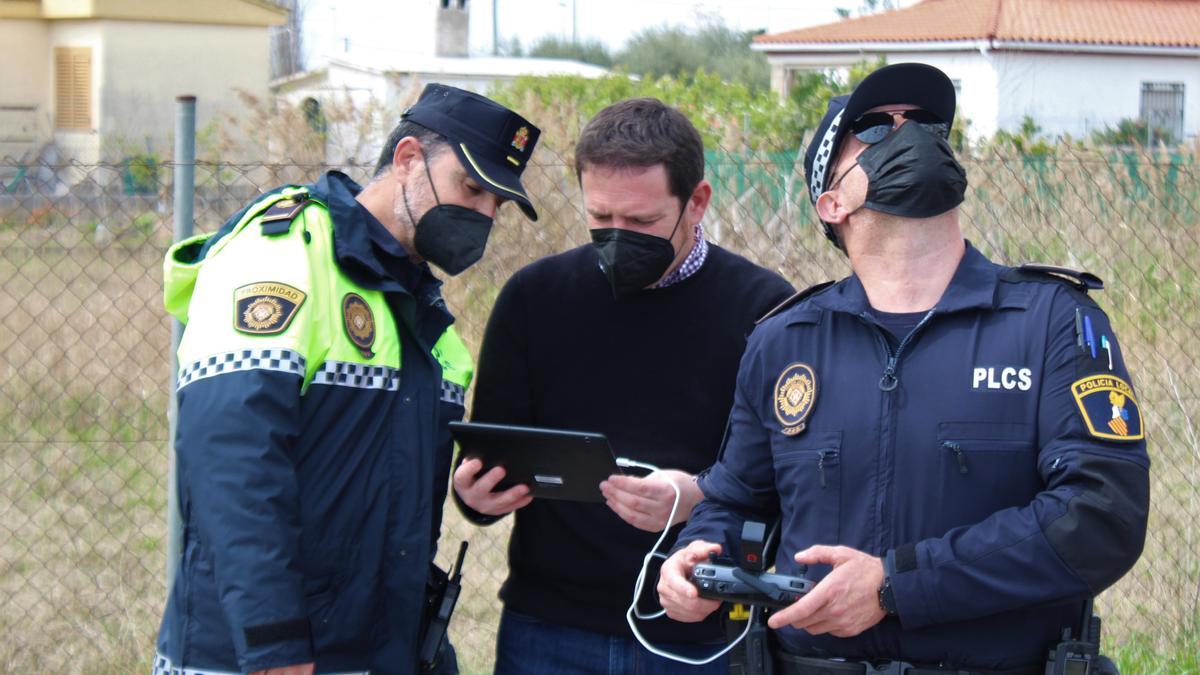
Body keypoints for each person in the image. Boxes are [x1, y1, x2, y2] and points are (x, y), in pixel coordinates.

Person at [657, 63, 1150, 675]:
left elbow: (1101, 518)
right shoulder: (785, 340)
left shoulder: (1051, 321)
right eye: (876, 129)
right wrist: (692, 556)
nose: (910, 133)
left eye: (925, 124)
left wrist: (896, 585)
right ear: (829, 200)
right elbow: (735, 500)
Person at [153, 84, 541, 675]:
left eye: (498, 203)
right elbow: (234, 461)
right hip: (262, 654)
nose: (484, 215)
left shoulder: (429, 320)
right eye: (472, 189)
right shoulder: (284, 254)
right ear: (408, 159)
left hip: (377, 646)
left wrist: (469, 492)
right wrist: (273, 641)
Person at [451, 98, 796, 674]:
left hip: (699, 631)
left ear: (697, 202)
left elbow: (785, 478)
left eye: (641, 223)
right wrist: (476, 497)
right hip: (548, 629)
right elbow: (495, 451)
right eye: (601, 218)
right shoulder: (535, 298)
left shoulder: (764, 307)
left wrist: (697, 495)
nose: (618, 238)